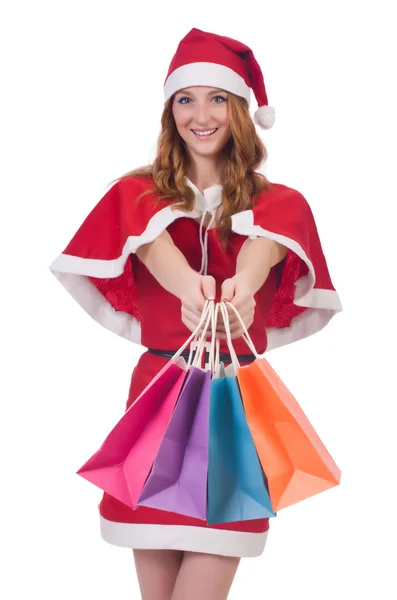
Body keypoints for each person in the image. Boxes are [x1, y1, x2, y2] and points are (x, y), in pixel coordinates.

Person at [49, 27, 342, 600]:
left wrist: (244, 290)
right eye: (186, 99)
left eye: (217, 99)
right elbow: (150, 241)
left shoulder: (280, 204)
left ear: (240, 111)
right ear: (169, 111)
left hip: (232, 407)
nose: (199, 115)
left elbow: (265, 246)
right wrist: (190, 285)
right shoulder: (134, 197)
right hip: (155, 402)